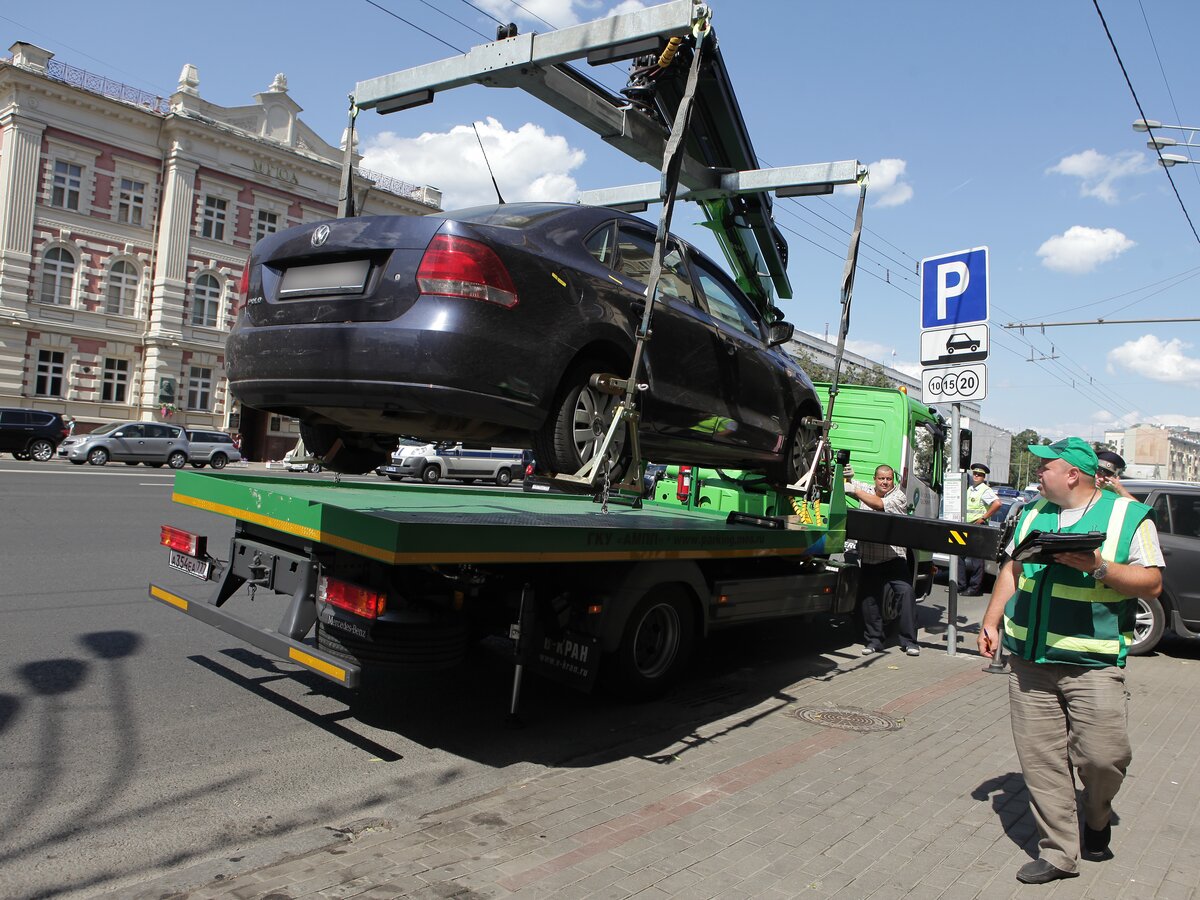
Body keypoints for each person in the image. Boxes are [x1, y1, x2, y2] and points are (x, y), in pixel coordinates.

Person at [978, 437, 1163, 885]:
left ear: (1072, 475)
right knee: (1041, 760)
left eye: (1045, 467)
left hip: (1093, 663)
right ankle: (1059, 853)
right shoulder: (1029, 514)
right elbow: (1012, 569)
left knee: (1103, 757)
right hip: (1029, 662)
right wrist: (991, 621)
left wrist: (1096, 566)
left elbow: (1153, 583)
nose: (1037, 473)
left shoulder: (1128, 517)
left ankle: (1096, 817)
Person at [845, 463, 920, 656]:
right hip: (869, 559)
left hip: (893, 559)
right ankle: (874, 641)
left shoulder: (898, 497)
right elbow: (850, 485)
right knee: (869, 601)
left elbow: (878, 505)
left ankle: (909, 642)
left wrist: (854, 489)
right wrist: (846, 477)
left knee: (906, 594)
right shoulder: (868, 490)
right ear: (875, 479)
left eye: (888, 479)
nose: (885, 482)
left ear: (893, 480)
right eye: (881, 478)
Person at [959, 462, 1003, 596]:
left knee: (977, 559)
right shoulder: (970, 488)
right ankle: (960, 585)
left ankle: (974, 588)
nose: (976, 476)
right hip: (967, 525)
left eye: (980, 475)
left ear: (984, 477)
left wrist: (983, 518)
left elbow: (997, 504)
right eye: (975, 474)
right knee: (959, 554)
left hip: (978, 526)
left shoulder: (985, 490)